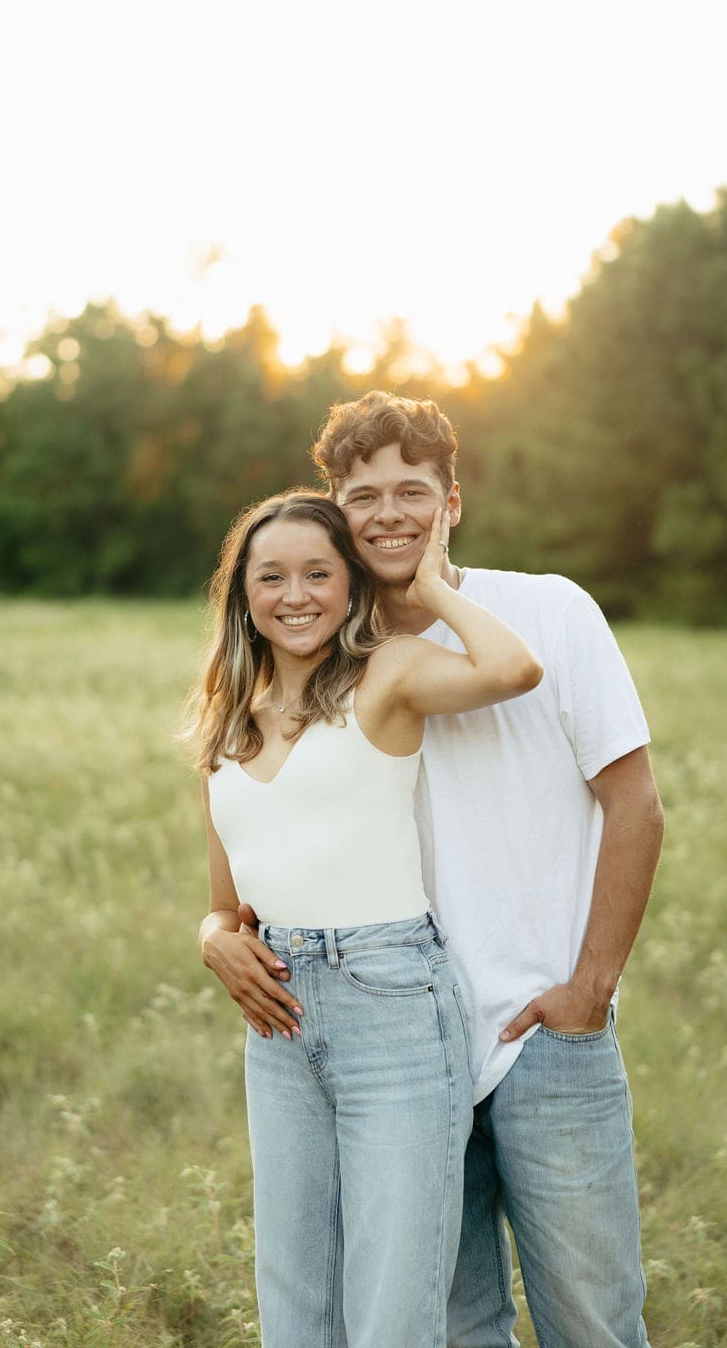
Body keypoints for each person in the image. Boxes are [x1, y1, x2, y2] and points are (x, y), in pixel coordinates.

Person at [234, 394, 665, 1348]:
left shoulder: (549, 610)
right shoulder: (327, 661)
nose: (388, 514)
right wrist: (215, 932)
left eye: (412, 492)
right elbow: (265, 830)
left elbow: (635, 804)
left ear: (453, 499)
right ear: (334, 513)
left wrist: (589, 990)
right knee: (457, 1325)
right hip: (400, 1044)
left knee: (593, 1317)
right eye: (363, 496)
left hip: (542, 1032)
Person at [187, 487, 543, 1348]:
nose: (296, 595)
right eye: (271, 577)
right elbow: (223, 904)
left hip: (391, 1006)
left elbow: (514, 668)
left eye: (318, 572)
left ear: (350, 585)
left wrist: (428, 585)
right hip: (278, 1026)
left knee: (392, 1304)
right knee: (296, 1294)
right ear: (245, 596)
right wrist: (210, 941)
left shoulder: (388, 672)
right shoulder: (226, 719)